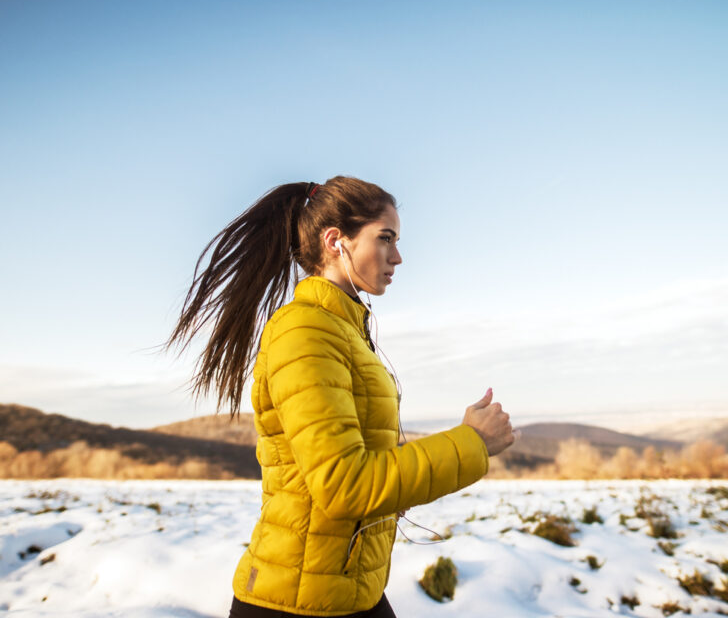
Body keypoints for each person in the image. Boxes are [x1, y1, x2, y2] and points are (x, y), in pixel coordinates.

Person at [166, 176, 515, 617]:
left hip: (344, 590)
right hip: (296, 602)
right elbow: (344, 486)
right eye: (384, 238)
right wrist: (472, 443)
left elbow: (368, 467)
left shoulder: (342, 330)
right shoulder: (305, 331)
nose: (398, 256)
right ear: (336, 241)